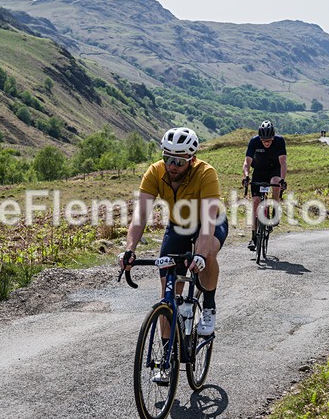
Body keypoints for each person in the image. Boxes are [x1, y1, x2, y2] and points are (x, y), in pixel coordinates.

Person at [119, 127, 228, 342]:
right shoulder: (154, 172)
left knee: (208, 253)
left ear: (192, 159)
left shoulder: (206, 173)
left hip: (210, 222)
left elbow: (207, 227)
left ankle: (208, 305)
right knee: (167, 295)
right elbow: (139, 217)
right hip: (178, 225)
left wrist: (201, 255)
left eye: (178, 161)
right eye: (167, 158)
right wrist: (129, 250)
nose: (172, 166)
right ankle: (165, 359)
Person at [242, 120, 287, 251]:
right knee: (255, 202)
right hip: (259, 171)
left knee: (276, 183)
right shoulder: (254, 141)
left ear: (273, 137)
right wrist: (246, 176)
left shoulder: (279, 141)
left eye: (269, 140)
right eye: (264, 140)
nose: (266, 143)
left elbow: (283, 162)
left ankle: (275, 210)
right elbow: (247, 162)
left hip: (274, 169)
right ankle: (253, 236)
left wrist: (283, 179)